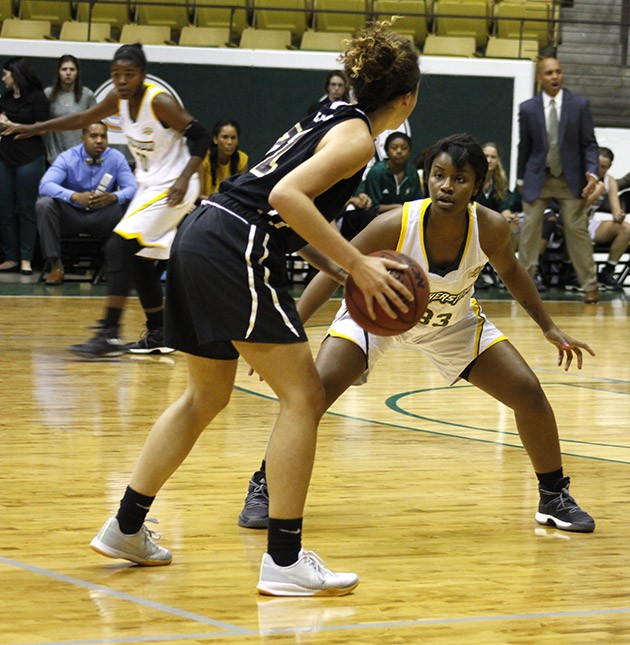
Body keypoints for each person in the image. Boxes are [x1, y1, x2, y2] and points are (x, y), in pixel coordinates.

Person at [87, 22, 421, 597]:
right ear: (409, 98)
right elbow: (283, 199)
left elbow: (283, 209)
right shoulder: (359, 139)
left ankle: (125, 526)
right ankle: (284, 561)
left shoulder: (329, 110)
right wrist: (361, 264)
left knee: (205, 396)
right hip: (232, 247)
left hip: (203, 233)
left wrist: (341, 268)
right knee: (306, 396)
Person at [238, 133, 596, 539]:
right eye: (438, 175)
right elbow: (331, 271)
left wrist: (548, 326)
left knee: (529, 393)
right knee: (311, 395)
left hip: (453, 323)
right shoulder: (393, 224)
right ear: (426, 177)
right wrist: (290, 330)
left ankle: (553, 496)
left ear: (477, 185)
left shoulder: (491, 227)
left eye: (459, 178)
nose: (446, 186)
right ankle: (264, 487)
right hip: (375, 317)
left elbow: (513, 273)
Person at [7, 44, 212, 357]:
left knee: (118, 245)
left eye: (129, 75)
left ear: (142, 75)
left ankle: (108, 334)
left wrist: (185, 179)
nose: (122, 81)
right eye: (116, 75)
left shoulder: (159, 101)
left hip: (174, 184)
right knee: (141, 259)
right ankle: (159, 332)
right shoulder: (118, 99)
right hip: (150, 184)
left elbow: (201, 136)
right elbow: (82, 119)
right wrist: (34, 128)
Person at [516, 56, 601, 304]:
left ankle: (590, 287)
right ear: (540, 78)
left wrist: (593, 173)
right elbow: (525, 146)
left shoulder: (579, 105)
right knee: (529, 229)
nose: (555, 76)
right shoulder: (528, 108)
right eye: (549, 73)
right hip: (537, 177)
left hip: (569, 178)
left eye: (558, 72)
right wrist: (521, 179)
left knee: (577, 230)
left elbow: (589, 144)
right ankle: (523, 288)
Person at [37, 122, 138, 285]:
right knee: (44, 204)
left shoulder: (116, 158)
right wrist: (74, 196)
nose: (99, 140)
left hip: (103, 216)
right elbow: (45, 185)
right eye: (93, 136)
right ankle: (56, 266)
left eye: (103, 136)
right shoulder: (67, 157)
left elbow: (132, 188)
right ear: (83, 138)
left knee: (129, 205)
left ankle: (113, 267)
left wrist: (114, 197)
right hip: (71, 216)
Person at [0, 57, 49, 275]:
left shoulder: (37, 98)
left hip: (29, 159)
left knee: (27, 209)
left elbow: (42, 129)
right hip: (5, 158)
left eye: (5, 74)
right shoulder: (6, 98)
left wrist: (14, 125)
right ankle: (10, 257)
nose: (3, 78)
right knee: (5, 209)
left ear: (16, 74)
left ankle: (26, 259)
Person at [475, 142, 522, 289]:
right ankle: (476, 272)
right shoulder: (473, 177)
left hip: (492, 223)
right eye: (486, 156)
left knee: (514, 224)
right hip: (474, 220)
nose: (489, 160)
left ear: (498, 161)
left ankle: (505, 269)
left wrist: (509, 216)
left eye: (493, 157)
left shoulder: (499, 181)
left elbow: (504, 206)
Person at [584, 146, 629, 290]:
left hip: (589, 222)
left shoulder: (610, 181)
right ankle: (572, 272)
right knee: (578, 225)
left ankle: (608, 270)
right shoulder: (579, 176)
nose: (600, 170)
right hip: (569, 220)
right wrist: (596, 193)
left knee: (626, 228)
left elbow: (615, 208)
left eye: (604, 167)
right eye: (598, 165)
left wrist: (618, 216)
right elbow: (576, 209)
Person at [44, 54, 96, 165]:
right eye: (64, 69)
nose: (68, 73)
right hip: (55, 159)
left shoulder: (87, 95)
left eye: (72, 69)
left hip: (80, 158)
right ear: (58, 72)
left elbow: (94, 127)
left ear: (77, 73)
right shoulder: (48, 94)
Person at [362, 131, 423, 213]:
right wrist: (399, 207)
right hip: (377, 217)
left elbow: (418, 202)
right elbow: (373, 206)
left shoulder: (412, 172)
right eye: (394, 148)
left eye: (404, 148)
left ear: (409, 152)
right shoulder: (377, 172)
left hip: (406, 217)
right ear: (387, 151)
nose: (399, 151)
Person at [199, 119, 248, 199]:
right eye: (225, 137)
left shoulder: (242, 159)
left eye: (233, 138)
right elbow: (198, 195)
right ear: (215, 139)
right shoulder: (204, 159)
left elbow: (241, 193)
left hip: (229, 207)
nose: (229, 142)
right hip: (206, 206)